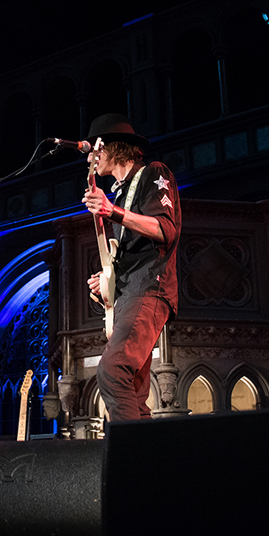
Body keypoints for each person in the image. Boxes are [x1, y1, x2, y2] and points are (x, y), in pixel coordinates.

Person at [82, 113, 180, 422]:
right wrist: (107, 280)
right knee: (135, 395)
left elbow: (166, 230)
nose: (91, 159)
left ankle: (128, 458)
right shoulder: (120, 193)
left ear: (112, 148)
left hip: (150, 289)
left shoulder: (154, 172)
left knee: (112, 370)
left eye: (95, 151)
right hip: (128, 295)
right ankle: (147, 464)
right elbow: (129, 253)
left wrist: (113, 211)